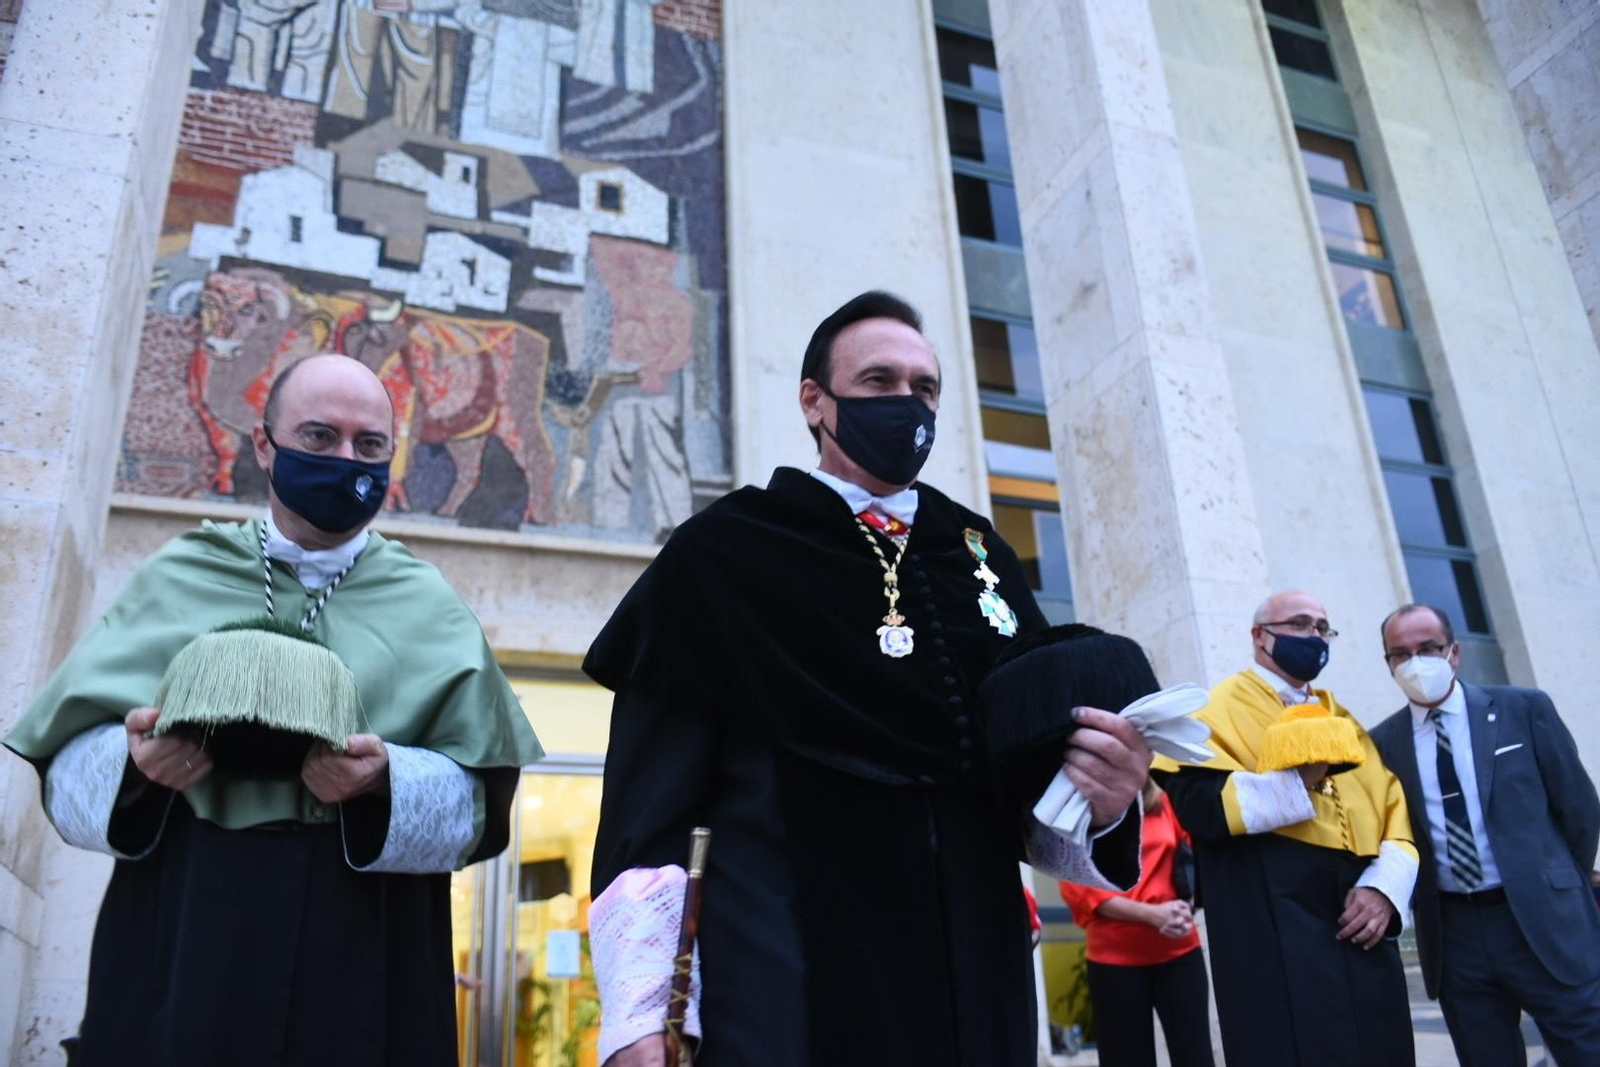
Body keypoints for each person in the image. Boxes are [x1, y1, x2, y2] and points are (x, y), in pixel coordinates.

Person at [583, 291, 1154, 1067]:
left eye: (924, 388)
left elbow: (1029, 794)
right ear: (815, 401)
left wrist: (1110, 801)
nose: (906, 405)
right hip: (792, 958)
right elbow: (647, 807)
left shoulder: (979, 552)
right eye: (879, 381)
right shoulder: (724, 553)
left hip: (975, 965)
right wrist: (640, 1018)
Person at [4, 354, 543, 1066]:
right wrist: (132, 765)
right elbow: (66, 768)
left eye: (369, 444)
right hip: (191, 912)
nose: (347, 459)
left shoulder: (429, 605)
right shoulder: (181, 572)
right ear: (264, 446)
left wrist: (386, 781)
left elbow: (481, 809)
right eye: (320, 437)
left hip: (362, 936)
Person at [1151, 590, 1418, 1066]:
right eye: (1299, 624)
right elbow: (1195, 805)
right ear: (1260, 636)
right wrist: (1297, 784)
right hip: (1272, 915)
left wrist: (1383, 889)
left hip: (1360, 917)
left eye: (1322, 627)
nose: (1314, 636)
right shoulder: (1217, 709)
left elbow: (1393, 807)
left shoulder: (1342, 719)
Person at [1368, 603, 1600, 1066]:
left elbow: (1578, 809)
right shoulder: (1381, 744)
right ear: (1389, 664)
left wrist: (1555, 881)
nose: (1416, 662)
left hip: (1543, 918)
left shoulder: (1524, 709)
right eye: (1402, 653)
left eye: (1428, 648)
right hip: (1455, 936)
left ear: (1453, 652)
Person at [1058, 777, 1214, 1067]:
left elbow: (1187, 860)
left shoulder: (1163, 802)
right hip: (1115, 963)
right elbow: (1079, 889)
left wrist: (1185, 908)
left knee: (1197, 1058)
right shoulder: (1080, 811)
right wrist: (1154, 915)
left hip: (1180, 954)